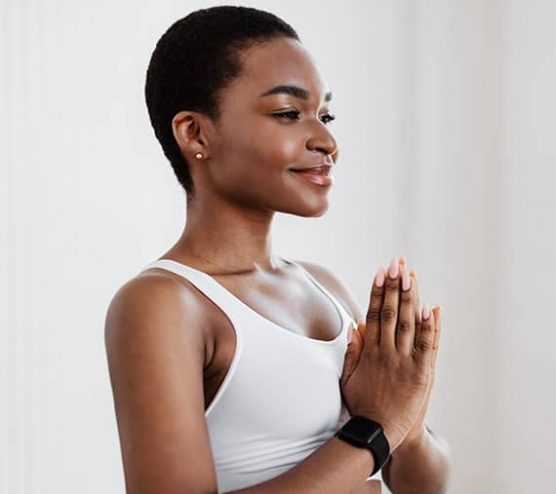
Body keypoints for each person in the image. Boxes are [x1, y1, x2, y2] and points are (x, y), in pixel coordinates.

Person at [103, 6, 450, 493]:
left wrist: (407, 418)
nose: (327, 140)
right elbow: (377, 432)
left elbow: (424, 484)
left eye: (324, 114)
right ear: (195, 133)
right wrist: (375, 429)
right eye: (289, 114)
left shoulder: (322, 286)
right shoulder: (161, 304)